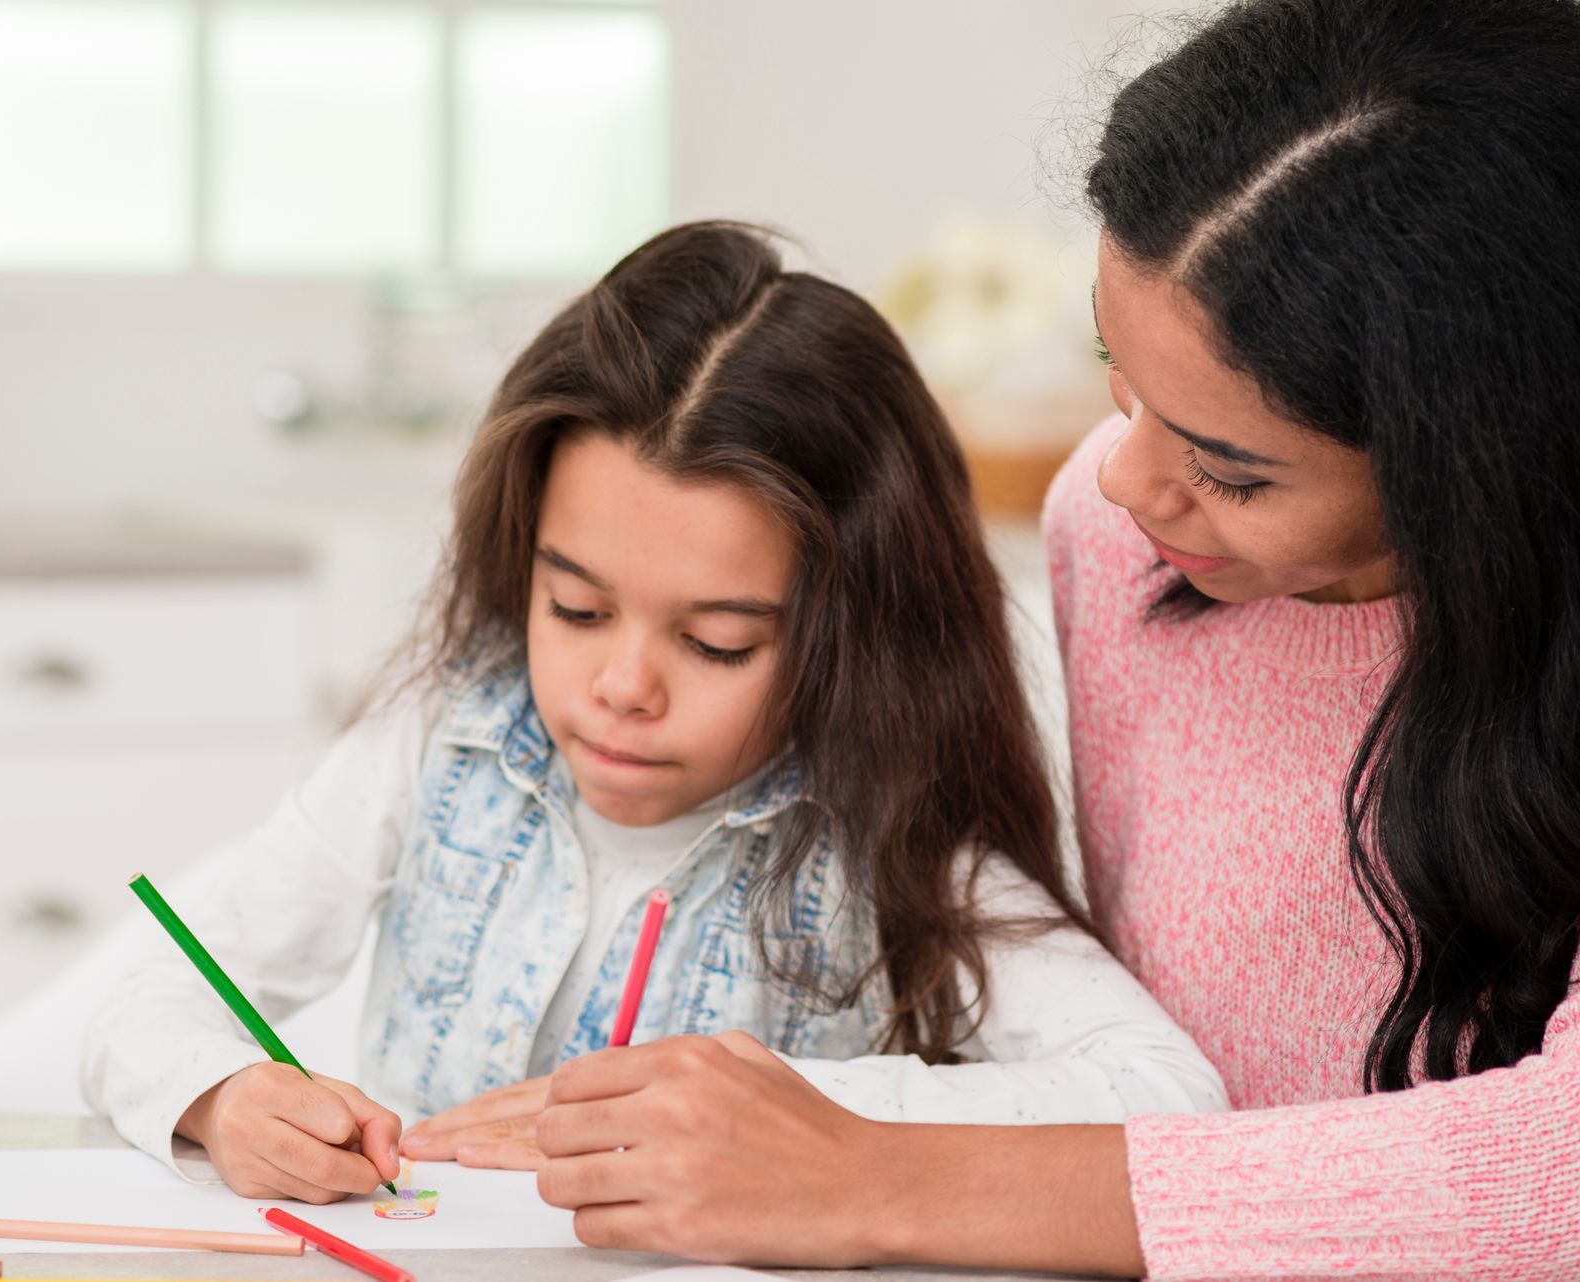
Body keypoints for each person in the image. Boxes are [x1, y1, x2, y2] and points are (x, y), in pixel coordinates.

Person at [524, 2, 1580, 1277]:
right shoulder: (1116, 528)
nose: (1128, 481)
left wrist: (872, 1174)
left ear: (1487, 462)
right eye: (1114, 374)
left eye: (1230, 469)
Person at [80, 221, 1225, 1204]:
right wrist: (220, 1096)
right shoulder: (439, 746)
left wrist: (784, 1113)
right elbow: (147, 995)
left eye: (716, 640)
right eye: (575, 607)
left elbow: (1166, 1096)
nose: (624, 685)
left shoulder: (894, 843)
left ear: (852, 640)